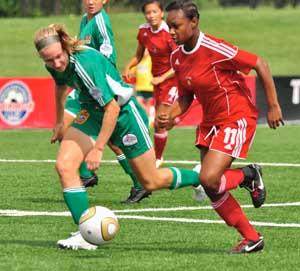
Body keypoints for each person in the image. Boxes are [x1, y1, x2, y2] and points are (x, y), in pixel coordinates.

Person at [34, 24, 206, 250]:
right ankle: (84, 233)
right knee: (65, 165)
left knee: (150, 181)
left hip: (124, 115)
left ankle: (197, 177)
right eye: (49, 60)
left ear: (65, 47)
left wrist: (98, 148)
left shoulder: (85, 63)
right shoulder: (55, 64)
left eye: (58, 57)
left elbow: (112, 109)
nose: (56, 63)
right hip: (92, 113)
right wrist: (59, 122)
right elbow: (60, 86)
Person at [160, 0, 284, 254]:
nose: (171, 32)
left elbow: (260, 63)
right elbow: (185, 96)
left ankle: (248, 175)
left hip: (235, 116)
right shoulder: (176, 56)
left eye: (176, 26)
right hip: (210, 123)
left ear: (194, 22)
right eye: (168, 27)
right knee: (211, 186)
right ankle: (251, 238)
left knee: (208, 177)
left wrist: (273, 106)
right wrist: (170, 116)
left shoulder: (214, 48)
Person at [60, 0, 152, 203]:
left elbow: (106, 56)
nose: (91, 1)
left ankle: (135, 181)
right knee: (102, 137)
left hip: (98, 84)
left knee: (106, 137)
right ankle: (88, 175)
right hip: (86, 84)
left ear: (105, 0)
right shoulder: (86, 20)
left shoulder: (101, 21)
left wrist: (102, 82)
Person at [123, 0, 178, 168]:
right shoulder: (144, 31)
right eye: (148, 12)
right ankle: (175, 118)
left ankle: (157, 159)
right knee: (164, 122)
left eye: (155, 12)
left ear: (161, 13)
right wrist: (128, 67)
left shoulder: (170, 32)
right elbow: (139, 55)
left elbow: (180, 61)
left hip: (175, 80)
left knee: (160, 121)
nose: (151, 15)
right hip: (157, 83)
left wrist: (163, 78)